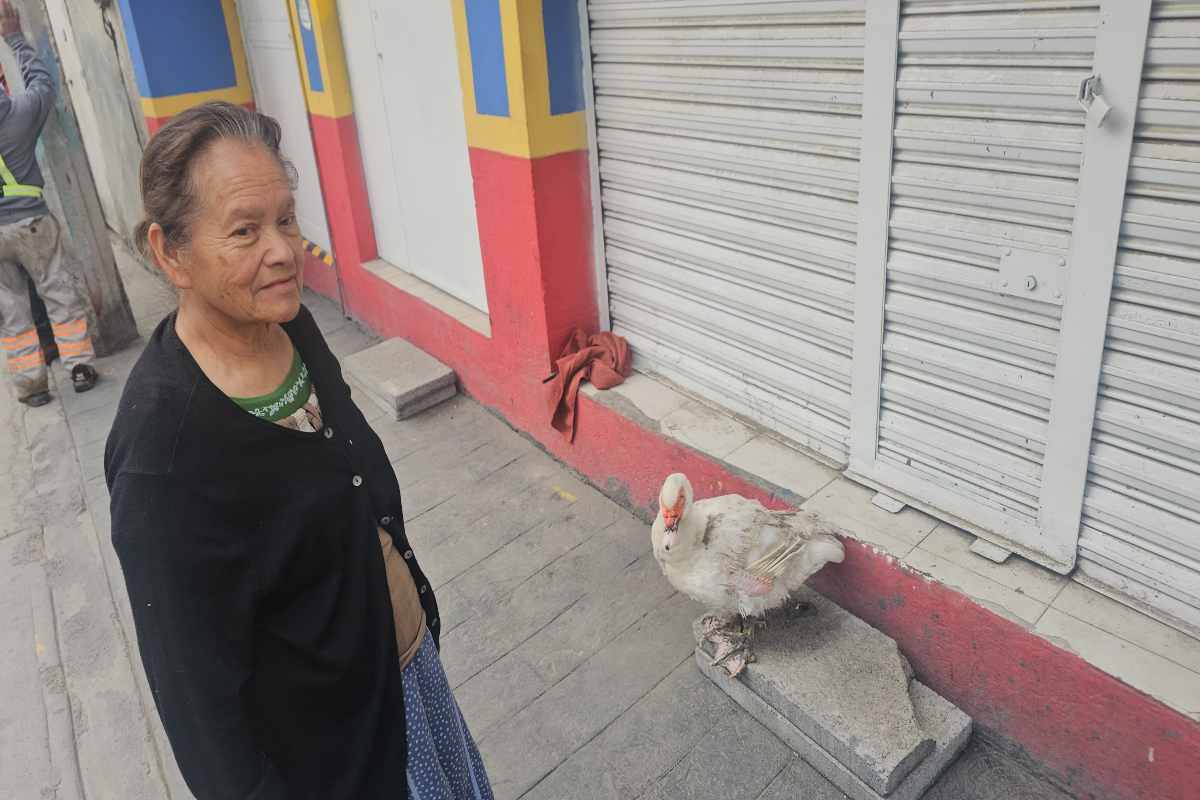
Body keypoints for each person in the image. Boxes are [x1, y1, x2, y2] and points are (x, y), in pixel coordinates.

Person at [105, 102, 494, 799]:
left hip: (403, 676)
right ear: (171, 253)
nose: (282, 250)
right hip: (335, 754)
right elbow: (202, 714)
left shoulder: (294, 330)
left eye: (285, 219)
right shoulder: (163, 458)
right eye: (245, 231)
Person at [0, 0, 97, 406]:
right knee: (57, 291)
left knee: (12, 312)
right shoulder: (19, 114)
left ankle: (32, 387)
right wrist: (14, 37)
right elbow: (41, 82)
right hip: (34, 225)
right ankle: (78, 367)